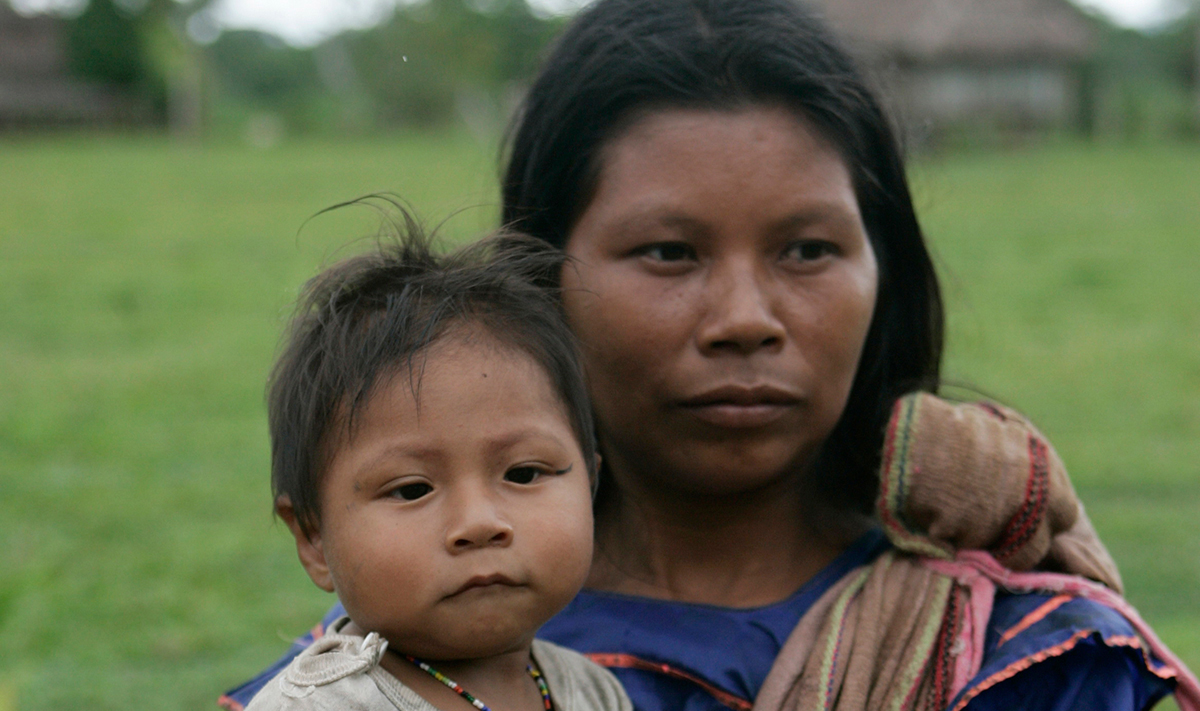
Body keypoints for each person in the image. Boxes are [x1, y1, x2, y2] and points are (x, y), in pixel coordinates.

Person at [223, 0, 1200, 709]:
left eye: (808, 251)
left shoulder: (1003, 652)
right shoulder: (403, 663)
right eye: (669, 253)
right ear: (541, 276)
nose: (745, 317)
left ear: (884, 272)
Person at [241, 222, 633, 711]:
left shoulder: (595, 692)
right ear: (314, 538)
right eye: (411, 490)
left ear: (590, 487)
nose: (480, 523)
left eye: (524, 473)